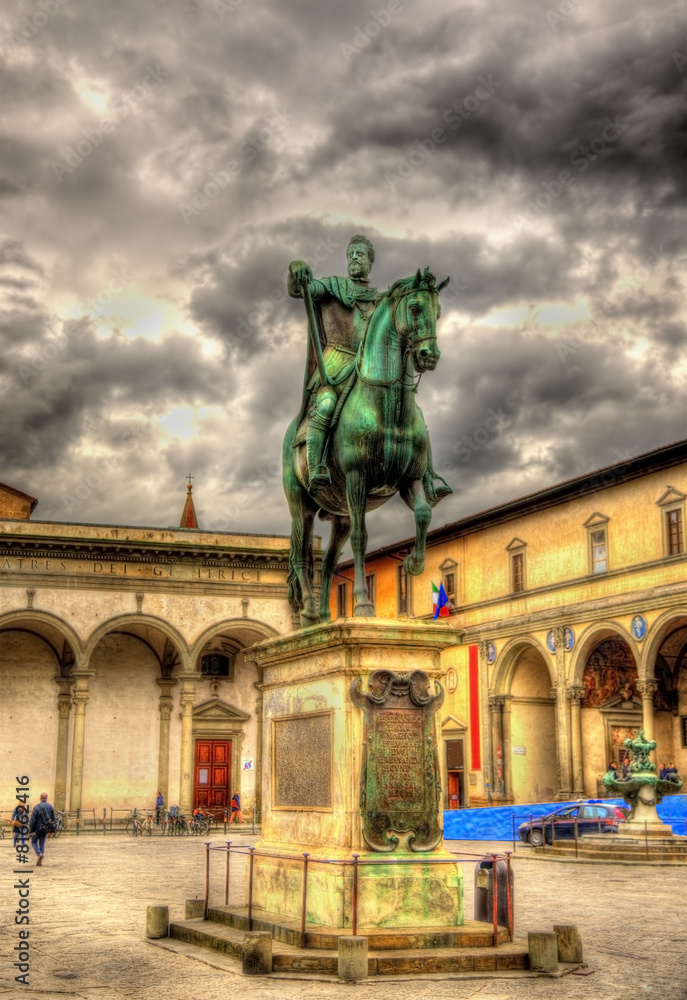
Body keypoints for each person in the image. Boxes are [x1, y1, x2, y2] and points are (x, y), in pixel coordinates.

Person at [288, 235, 451, 504]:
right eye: (351, 253)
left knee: (414, 412)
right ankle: (317, 467)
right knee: (327, 403)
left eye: (360, 254)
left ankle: (429, 475)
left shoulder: (381, 300)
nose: (354, 258)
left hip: (371, 365)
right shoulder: (332, 287)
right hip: (338, 362)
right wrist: (296, 268)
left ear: (370, 262)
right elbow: (301, 289)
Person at [28, 792, 55, 867]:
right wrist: (51, 831)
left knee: (33, 842)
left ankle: (39, 854)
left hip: (37, 829)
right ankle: (40, 860)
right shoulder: (50, 807)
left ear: (40, 798)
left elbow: (33, 820)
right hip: (45, 829)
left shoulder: (36, 807)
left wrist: (31, 830)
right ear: (46, 798)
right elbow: (53, 820)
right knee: (42, 843)